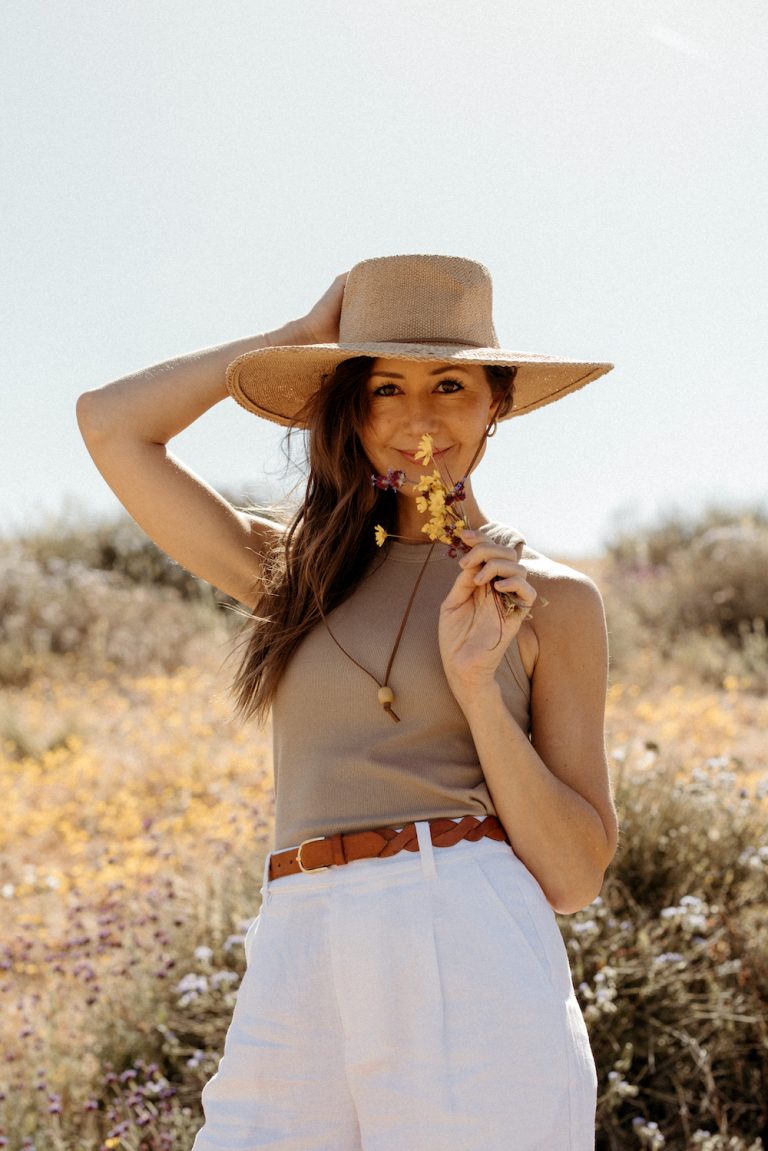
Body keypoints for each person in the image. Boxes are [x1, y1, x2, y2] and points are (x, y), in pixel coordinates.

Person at [77, 254, 619, 1151]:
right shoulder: (293, 572)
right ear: (351, 407)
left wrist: (480, 689)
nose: (417, 421)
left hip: (467, 930)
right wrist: (290, 345)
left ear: (499, 401)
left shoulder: (553, 601)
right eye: (382, 388)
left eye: (449, 384)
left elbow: (573, 874)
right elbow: (111, 426)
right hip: (299, 935)